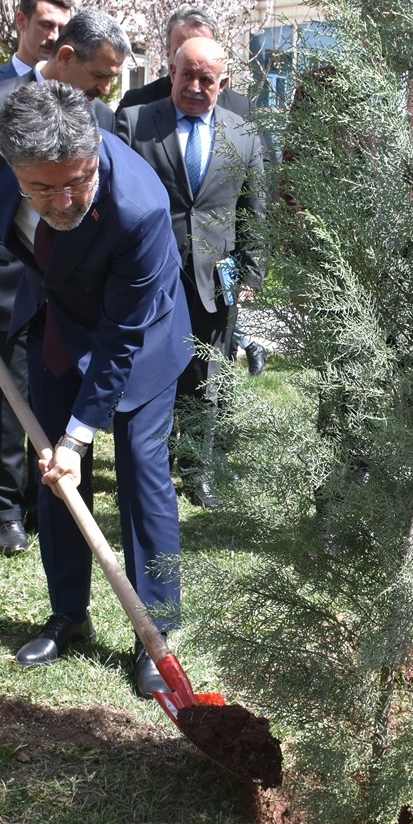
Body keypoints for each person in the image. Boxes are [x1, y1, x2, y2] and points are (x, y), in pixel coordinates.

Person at [0, 81, 192, 698]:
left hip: (139, 337)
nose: (62, 199)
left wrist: (82, 438)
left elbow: (120, 340)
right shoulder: (1, 147)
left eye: (76, 181)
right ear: (14, 162)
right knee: (50, 468)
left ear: (93, 154)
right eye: (42, 188)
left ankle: (155, 630)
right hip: (58, 319)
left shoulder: (139, 209)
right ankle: (68, 612)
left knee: (139, 469)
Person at [0, 8, 126, 557]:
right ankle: (5, 510)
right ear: (67, 59)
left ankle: (46, 501)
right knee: (4, 392)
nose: (106, 89)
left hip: (70, 286)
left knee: (60, 391)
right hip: (4, 274)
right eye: (100, 77)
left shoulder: (101, 120)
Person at [116, 36, 265, 510]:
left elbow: (253, 212)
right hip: (151, 276)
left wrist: (251, 274)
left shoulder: (243, 134)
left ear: (223, 83)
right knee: (150, 377)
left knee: (209, 379)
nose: (196, 87)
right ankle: (148, 470)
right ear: (171, 72)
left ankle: (199, 470)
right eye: (188, 75)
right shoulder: (136, 123)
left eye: (208, 79)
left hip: (217, 279)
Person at [117, 5, 250, 116]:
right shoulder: (136, 106)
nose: (192, 58)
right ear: (168, 55)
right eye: (181, 52)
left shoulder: (242, 111)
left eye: (201, 48)